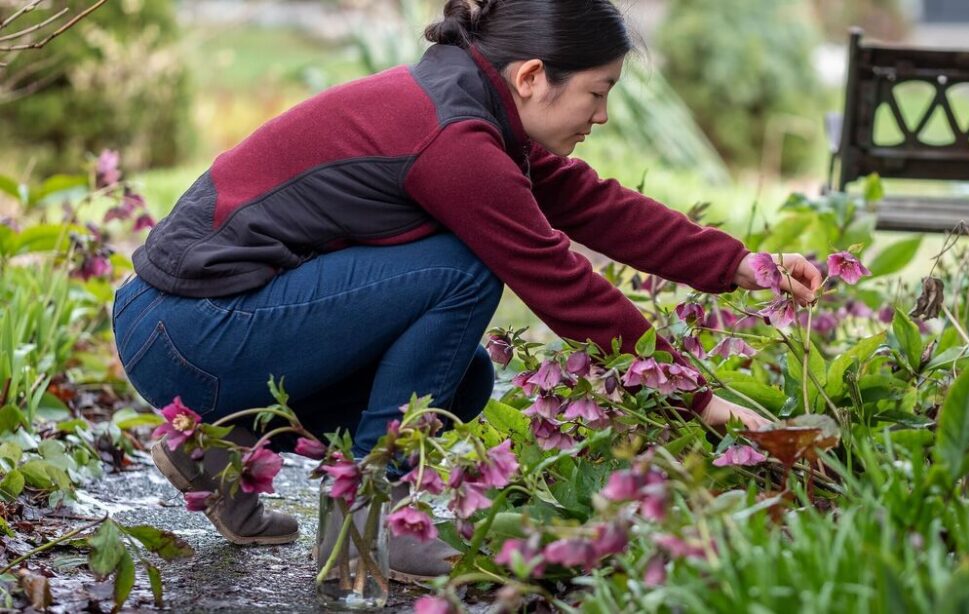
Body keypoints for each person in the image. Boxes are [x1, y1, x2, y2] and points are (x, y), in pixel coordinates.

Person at [111, 0, 822, 579]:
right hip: (191, 328)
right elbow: (558, 282)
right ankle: (367, 527)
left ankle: (218, 450)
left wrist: (741, 265)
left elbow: (594, 206)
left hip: (183, 326)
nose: (601, 116)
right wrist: (698, 398)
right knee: (466, 265)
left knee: (460, 383)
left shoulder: (473, 106)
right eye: (597, 93)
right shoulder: (456, 139)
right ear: (534, 75)